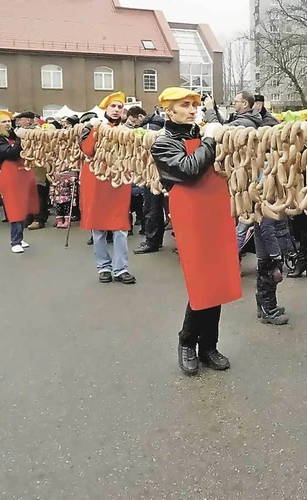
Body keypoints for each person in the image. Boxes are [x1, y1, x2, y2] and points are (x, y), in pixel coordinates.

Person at [150, 87, 242, 375]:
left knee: (219, 278)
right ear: (169, 111)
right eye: (184, 105)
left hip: (215, 208)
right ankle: (187, 341)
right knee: (203, 280)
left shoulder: (199, 134)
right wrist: (211, 139)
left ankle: (209, 346)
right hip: (191, 213)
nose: (192, 109)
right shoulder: (163, 143)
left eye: (194, 105)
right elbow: (189, 170)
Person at [79, 91, 136, 285]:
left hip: (119, 181)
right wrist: (95, 131)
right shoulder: (92, 127)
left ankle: (121, 269)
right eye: (113, 106)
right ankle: (103, 267)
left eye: (120, 107)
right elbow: (87, 150)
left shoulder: (128, 131)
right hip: (96, 181)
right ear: (106, 108)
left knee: (120, 227)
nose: (117, 110)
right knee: (99, 228)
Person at [0, 110, 39, 253]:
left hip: (24, 175)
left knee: (24, 207)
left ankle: (20, 237)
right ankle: (15, 241)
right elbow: (10, 153)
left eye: (8, 121)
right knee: (15, 208)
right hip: (11, 178)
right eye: (3, 122)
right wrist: (19, 140)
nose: (7, 124)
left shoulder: (14, 135)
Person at [135, 113, 167, 254]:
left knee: (151, 209)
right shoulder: (164, 129)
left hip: (153, 175)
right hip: (165, 175)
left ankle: (152, 241)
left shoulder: (148, 130)